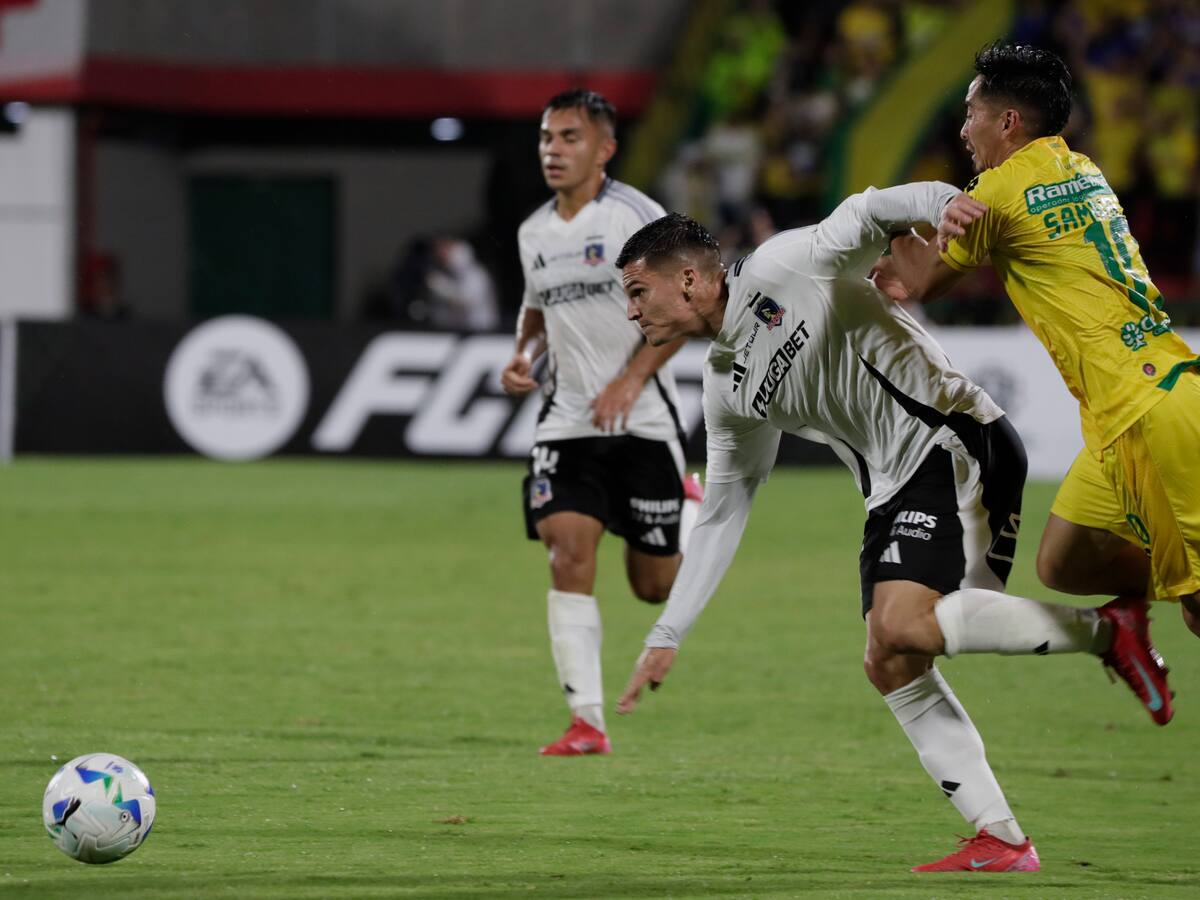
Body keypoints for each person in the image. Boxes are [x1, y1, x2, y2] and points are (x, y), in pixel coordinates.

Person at [611, 196, 1168, 872]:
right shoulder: (726, 383)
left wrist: (946, 204)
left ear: (688, 281)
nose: (632, 311)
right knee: (889, 657)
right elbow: (725, 507)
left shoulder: (784, 265)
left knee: (903, 625)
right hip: (892, 490)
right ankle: (1002, 838)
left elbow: (870, 210)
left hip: (954, 440)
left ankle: (1110, 632)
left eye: (638, 292)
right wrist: (668, 632)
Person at [875, 43, 1200, 666]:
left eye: (971, 113)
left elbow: (922, 280)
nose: (963, 128)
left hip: (1146, 413)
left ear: (1007, 122)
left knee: (1199, 608)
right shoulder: (1080, 168)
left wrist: (880, 217)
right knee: (1063, 562)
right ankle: (1157, 597)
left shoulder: (998, 189)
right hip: (1132, 403)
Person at [500, 89, 702, 757]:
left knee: (653, 587)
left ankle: (690, 508)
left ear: (605, 149)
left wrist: (629, 379)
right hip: (567, 421)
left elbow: (690, 310)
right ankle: (586, 721)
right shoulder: (533, 232)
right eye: (546, 138)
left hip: (642, 421)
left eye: (569, 138)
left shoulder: (637, 220)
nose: (553, 150)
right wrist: (523, 354)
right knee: (566, 550)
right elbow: (536, 309)